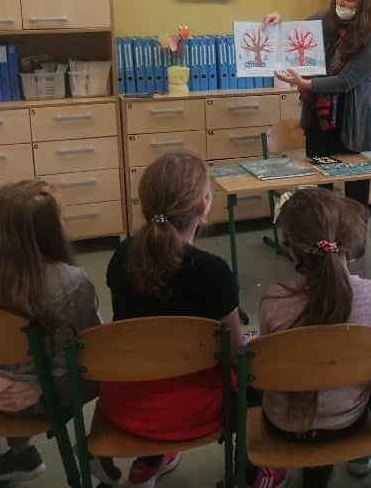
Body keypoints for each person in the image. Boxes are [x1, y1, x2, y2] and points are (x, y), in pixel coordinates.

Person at [102, 152, 285, 488]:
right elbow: (235, 354)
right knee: (260, 368)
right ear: (204, 205)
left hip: (126, 404)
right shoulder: (213, 272)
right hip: (197, 408)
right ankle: (251, 472)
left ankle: (149, 460)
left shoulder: (121, 255)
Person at [0, 180, 116, 484]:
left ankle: (21, 453)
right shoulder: (72, 280)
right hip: (57, 394)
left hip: (1, 396)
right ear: (52, 230)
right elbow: (91, 346)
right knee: (113, 360)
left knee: (12, 365)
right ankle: (98, 446)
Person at [259, 187, 371, 488]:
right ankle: (359, 457)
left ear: (292, 251)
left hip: (283, 428)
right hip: (349, 424)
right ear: (349, 243)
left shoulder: (274, 301)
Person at [263, 0, 371, 208]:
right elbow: (294, 33)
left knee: (356, 188)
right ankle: (324, 230)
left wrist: (306, 83)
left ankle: (355, 232)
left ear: (364, 2)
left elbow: (345, 81)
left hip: (353, 118)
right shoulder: (325, 21)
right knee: (322, 183)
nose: (341, 3)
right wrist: (278, 21)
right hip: (321, 117)